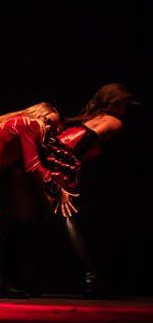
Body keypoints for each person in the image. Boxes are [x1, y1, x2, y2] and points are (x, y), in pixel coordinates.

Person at [0, 102, 70, 298]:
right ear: (39, 115)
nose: (49, 129)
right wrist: (55, 187)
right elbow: (32, 166)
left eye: (54, 128)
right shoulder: (31, 123)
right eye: (48, 122)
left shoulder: (15, 122)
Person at [46, 83, 139, 297]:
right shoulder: (113, 121)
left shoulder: (85, 118)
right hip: (58, 163)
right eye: (123, 106)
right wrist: (65, 167)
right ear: (114, 103)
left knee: (35, 216)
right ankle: (91, 278)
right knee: (66, 214)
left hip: (52, 158)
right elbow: (85, 141)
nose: (124, 112)